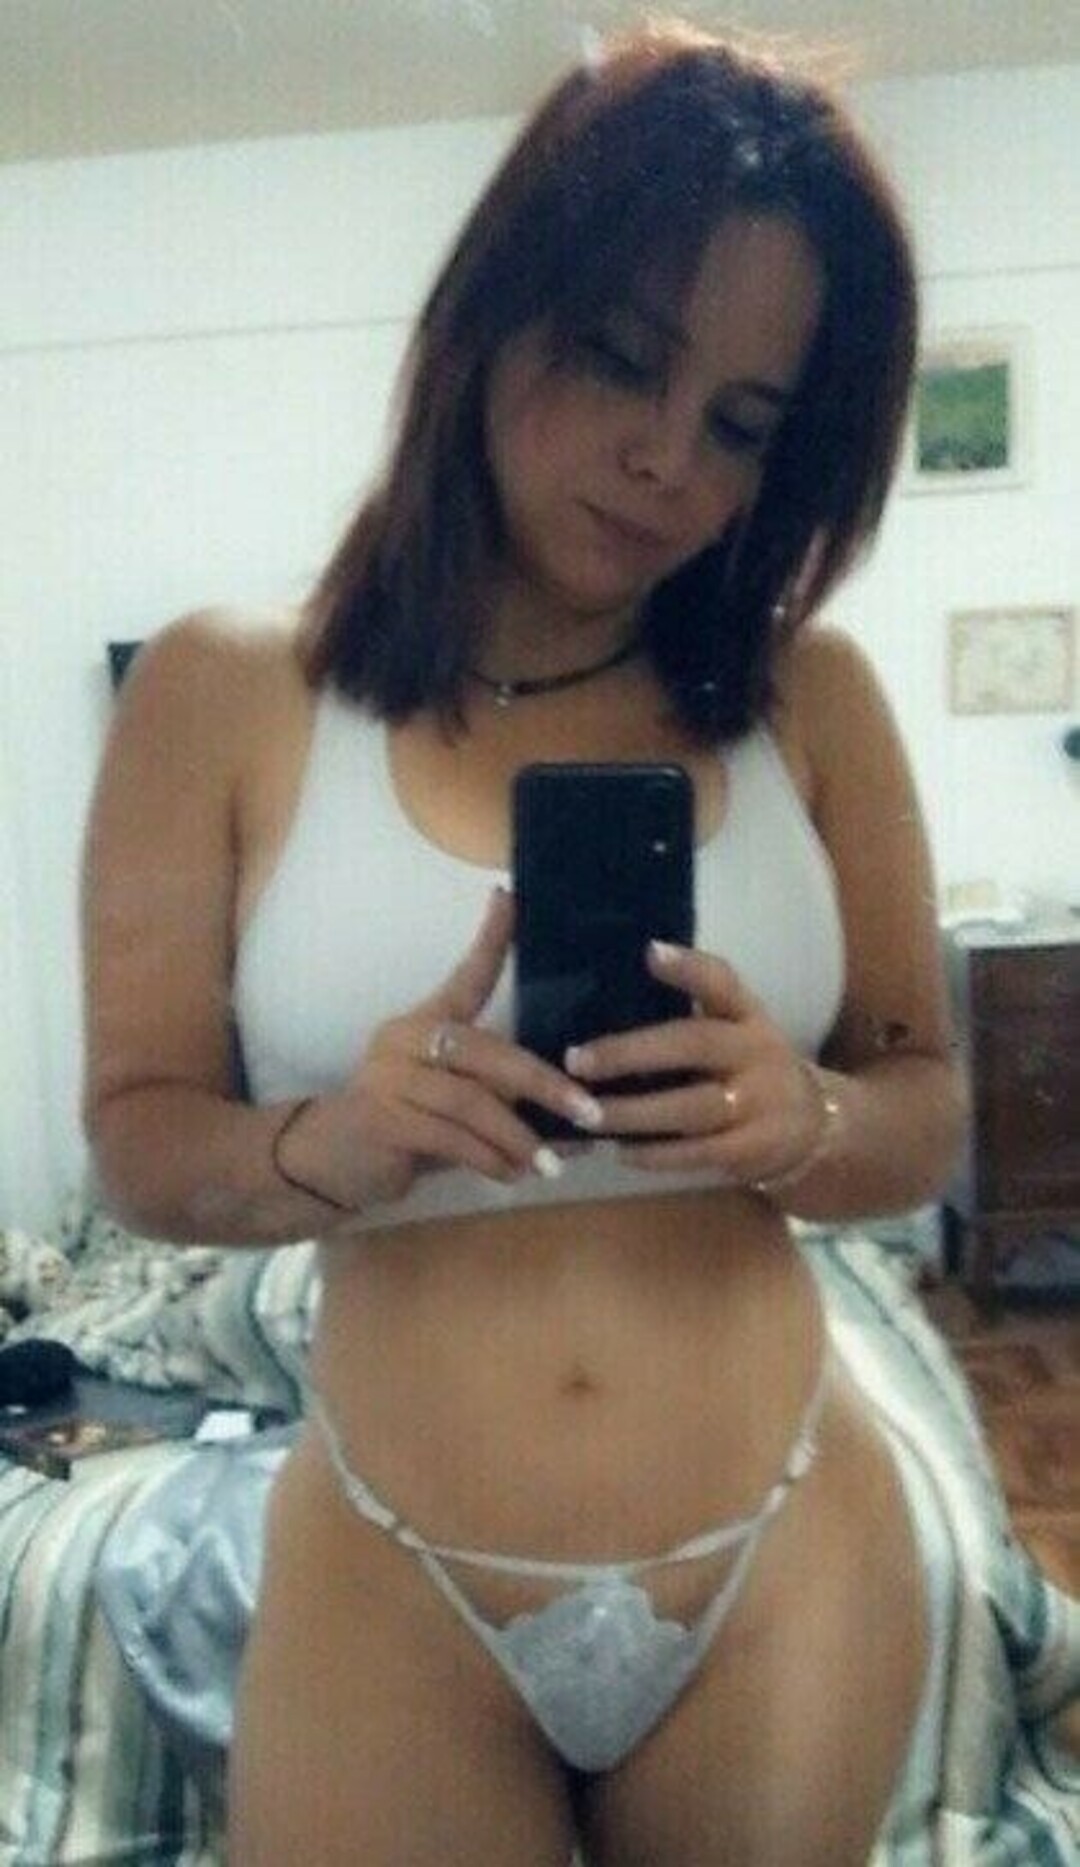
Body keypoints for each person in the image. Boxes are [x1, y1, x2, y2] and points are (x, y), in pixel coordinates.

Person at [81, 19, 969, 1865]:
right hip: (393, 1569)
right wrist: (328, 1143)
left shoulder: (811, 699)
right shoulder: (224, 694)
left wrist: (801, 1119)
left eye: (743, 424)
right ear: (492, 315)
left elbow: (926, 1104)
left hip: (784, 1548)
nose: (666, 461)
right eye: (623, 359)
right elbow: (142, 1143)